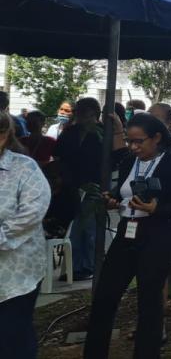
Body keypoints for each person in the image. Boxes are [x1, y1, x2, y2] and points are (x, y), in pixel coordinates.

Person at [84, 113, 171, 359]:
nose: (133, 147)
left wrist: (157, 209)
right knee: (105, 296)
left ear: (156, 138)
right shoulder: (128, 161)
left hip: (158, 235)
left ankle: (147, 353)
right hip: (127, 231)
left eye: (139, 141)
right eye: (129, 141)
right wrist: (113, 200)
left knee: (149, 300)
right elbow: (122, 190)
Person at [0, 113, 51, 359]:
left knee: (13, 337)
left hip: (16, 273)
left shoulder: (24, 167)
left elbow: (32, 212)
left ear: (3, 137)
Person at [53, 97, 103, 281]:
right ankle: (71, 266)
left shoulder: (102, 133)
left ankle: (87, 265)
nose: (83, 118)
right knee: (72, 228)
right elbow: (59, 156)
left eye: (87, 115)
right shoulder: (70, 132)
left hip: (93, 185)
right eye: (80, 114)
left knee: (88, 227)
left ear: (95, 115)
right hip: (70, 185)